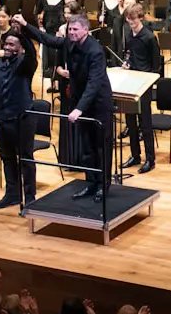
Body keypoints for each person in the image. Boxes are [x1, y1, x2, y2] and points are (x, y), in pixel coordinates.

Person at [18, 13, 113, 201]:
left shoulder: (96, 51)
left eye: (75, 29)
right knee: (87, 148)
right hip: (81, 102)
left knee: (101, 147)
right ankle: (91, 183)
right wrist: (25, 24)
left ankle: (103, 185)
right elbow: (47, 39)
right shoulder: (69, 43)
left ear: (86, 30)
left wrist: (79, 108)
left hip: (98, 104)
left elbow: (94, 82)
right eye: (70, 29)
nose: (71, 32)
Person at [0, 28, 39, 209]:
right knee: (7, 157)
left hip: (22, 117)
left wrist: (24, 34)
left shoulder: (24, 64)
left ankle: (30, 196)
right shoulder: (0, 65)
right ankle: (12, 194)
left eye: (12, 44)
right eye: (6, 44)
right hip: (3, 116)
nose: (8, 47)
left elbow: (32, 54)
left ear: (20, 48)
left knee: (26, 158)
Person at [122, 3, 159, 173]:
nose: (132, 25)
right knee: (130, 121)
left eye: (134, 21)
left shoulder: (149, 37)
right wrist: (127, 63)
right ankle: (135, 155)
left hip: (144, 84)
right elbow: (129, 55)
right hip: (131, 82)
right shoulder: (129, 35)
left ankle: (150, 159)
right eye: (129, 22)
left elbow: (156, 66)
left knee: (145, 123)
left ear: (141, 18)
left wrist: (149, 81)